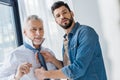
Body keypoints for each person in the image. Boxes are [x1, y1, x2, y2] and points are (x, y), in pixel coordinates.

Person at [34, 1, 107, 80]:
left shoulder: (86, 32)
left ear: (71, 13)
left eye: (64, 12)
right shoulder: (66, 40)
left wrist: (45, 74)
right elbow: (69, 68)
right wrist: (53, 60)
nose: (62, 17)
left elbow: (78, 68)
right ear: (56, 21)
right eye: (58, 16)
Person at [0, 15, 61, 80]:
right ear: (25, 32)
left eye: (41, 29)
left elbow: (63, 74)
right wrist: (16, 77)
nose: (38, 33)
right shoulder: (14, 55)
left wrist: (54, 61)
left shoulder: (49, 53)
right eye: (34, 29)